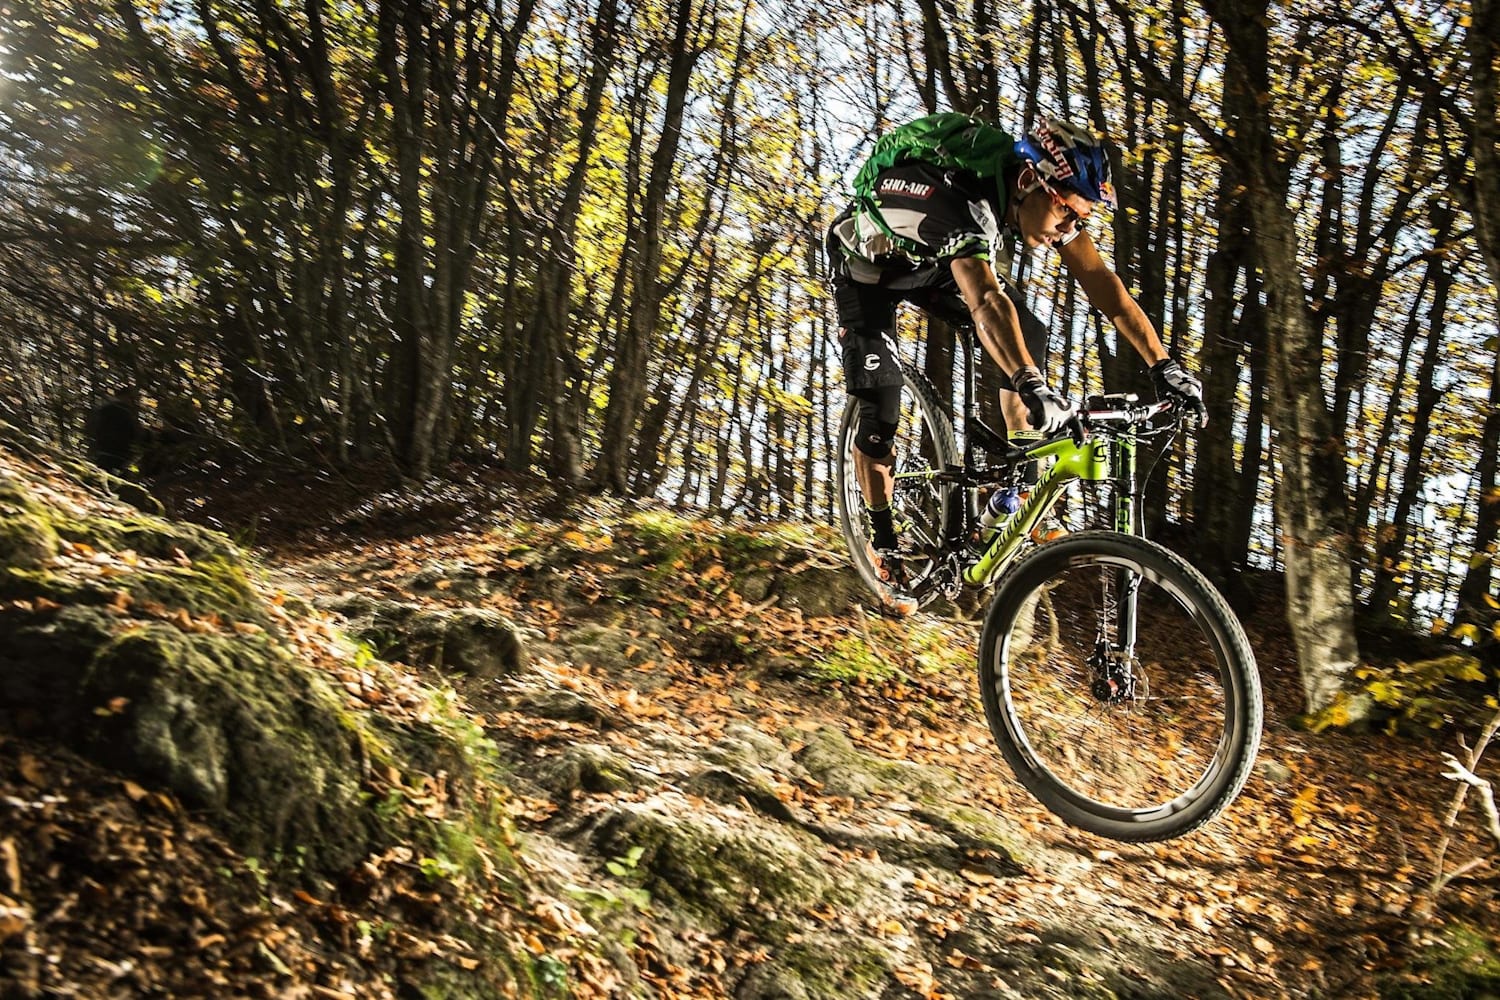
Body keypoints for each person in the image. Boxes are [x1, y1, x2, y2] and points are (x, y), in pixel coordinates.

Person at [826, 113, 1206, 614]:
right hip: (866, 271)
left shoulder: (1040, 196)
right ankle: (882, 541)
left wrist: (1164, 367)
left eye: (1081, 219)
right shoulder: (957, 201)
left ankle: (1020, 481)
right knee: (882, 402)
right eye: (1068, 214)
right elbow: (984, 299)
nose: (1070, 228)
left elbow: (1101, 283)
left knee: (1029, 330)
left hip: (931, 262)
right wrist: (1031, 382)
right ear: (1031, 181)